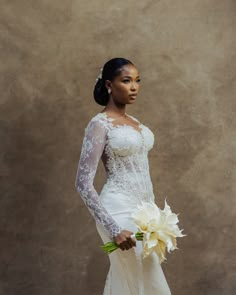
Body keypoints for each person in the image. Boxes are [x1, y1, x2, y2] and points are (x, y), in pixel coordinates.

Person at [75, 58, 171, 294]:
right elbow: (83, 183)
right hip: (117, 211)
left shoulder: (136, 123)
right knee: (145, 277)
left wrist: (154, 213)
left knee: (133, 280)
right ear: (109, 85)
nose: (134, 87)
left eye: (137, 81)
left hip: (144, 212)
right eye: (126, 81)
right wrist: (112, 228)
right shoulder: (99, 124)